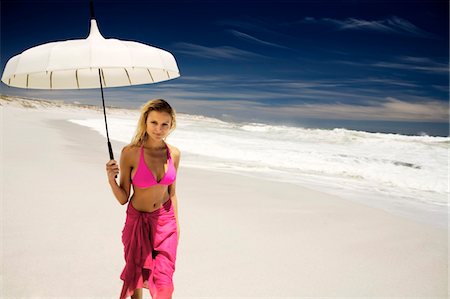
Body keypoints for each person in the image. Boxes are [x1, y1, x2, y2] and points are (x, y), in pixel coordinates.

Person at [106, 99, 181, 299]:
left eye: (165, 124)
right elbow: (123, 198)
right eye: (154, 123)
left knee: (165, 284)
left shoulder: (174, 154)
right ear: (145, 123)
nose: (159, 129)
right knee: (135, 276)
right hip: (137, 221)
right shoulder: (130, 153)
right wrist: (110, 179)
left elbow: (172, 192)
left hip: (165, 223)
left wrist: (177, 225)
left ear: (171, 125)